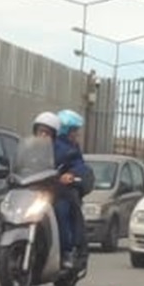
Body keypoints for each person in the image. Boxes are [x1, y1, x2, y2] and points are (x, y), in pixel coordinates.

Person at [53, 109, 91, 268]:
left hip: (61, 190)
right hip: (43, 188)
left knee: (62, 210)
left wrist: (70, 174)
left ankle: (67, 251)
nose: (77, 134)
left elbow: (80, 166)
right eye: (74, 130)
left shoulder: (72, 149)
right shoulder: (47, 144)